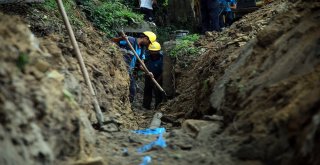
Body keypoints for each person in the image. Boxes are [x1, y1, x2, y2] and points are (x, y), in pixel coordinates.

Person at [112, 31, 157, 102]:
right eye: (149, 42)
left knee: (132, 90)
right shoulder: (130, 40)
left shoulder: (142, 49)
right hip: (121, 69)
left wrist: (148, 72)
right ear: (145, 38)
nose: (148, 44)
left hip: (130, 71)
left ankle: (128, 107)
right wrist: (121, 38)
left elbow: (141, 65)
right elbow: (113, 41)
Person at [143, 41, 163, 110]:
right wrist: (146, 72)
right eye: (152, 51)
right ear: (149, 51)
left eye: (155, 51)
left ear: (159, 51)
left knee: (158, 93)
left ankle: (157, 107)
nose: (154, 53)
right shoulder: (146, 56)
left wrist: (158, 80)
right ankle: (146, 106)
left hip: (159, 77)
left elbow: (164, 71)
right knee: (147, 91)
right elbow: (142, 64)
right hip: (148, 76)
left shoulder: (162, 58)